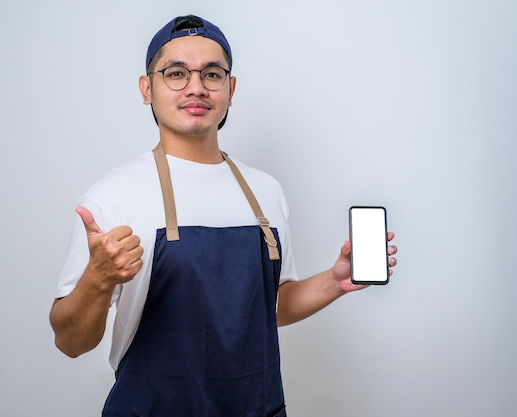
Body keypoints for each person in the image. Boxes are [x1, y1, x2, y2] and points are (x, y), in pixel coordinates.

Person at [50, 14, 398, 417]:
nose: (196, 87)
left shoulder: (265, 192)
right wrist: (97, 279)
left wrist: (335, 281)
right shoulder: (113, 196)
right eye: (176, 73)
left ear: (230, 90)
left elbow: (268, 308)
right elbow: (69, 342)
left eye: (212, 74)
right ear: (147, 88)